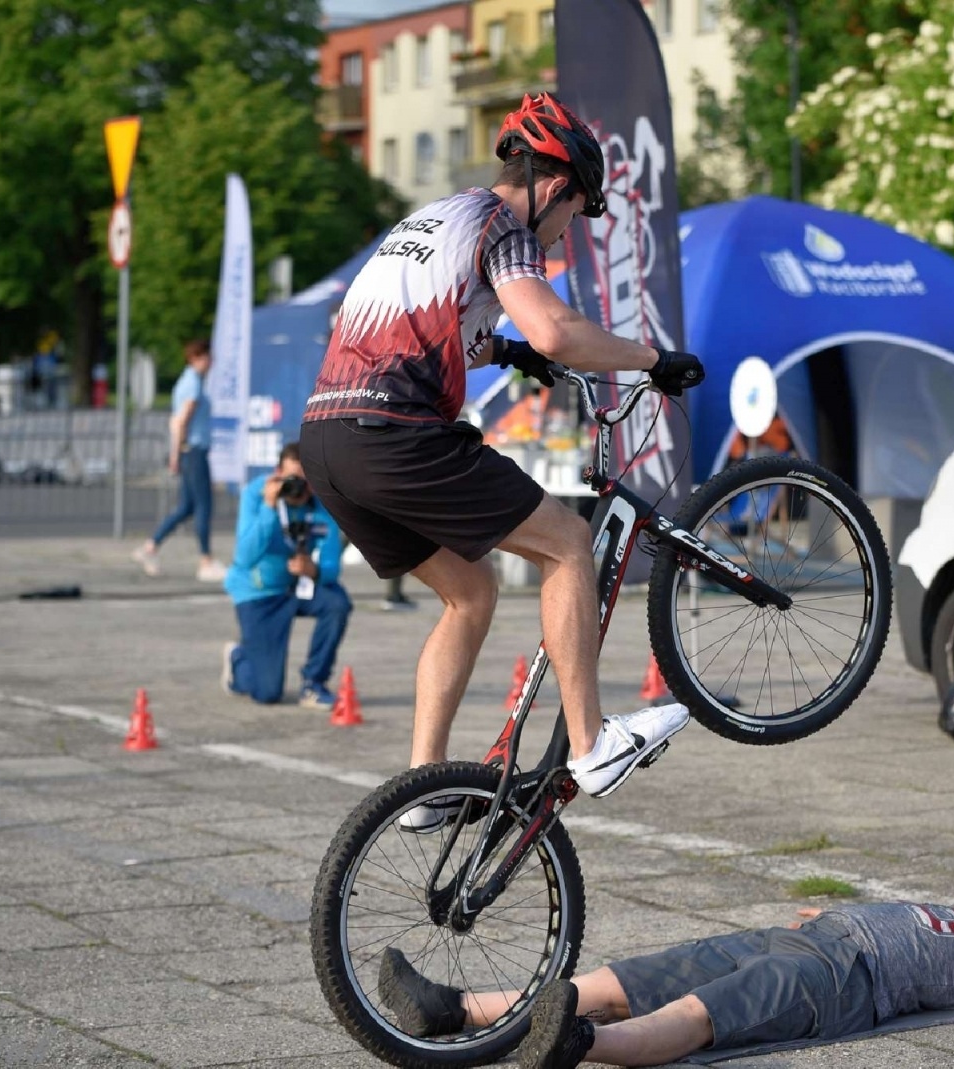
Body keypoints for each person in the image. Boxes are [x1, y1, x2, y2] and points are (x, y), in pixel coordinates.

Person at [299, 93, 706, 826]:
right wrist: (652, 360)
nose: (561, 236)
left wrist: (508, 351)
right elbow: (555, 327)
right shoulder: (505, 226)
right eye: (573, 217)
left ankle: (422, 790)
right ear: (555, 188)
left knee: (471, 592)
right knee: (569, 542)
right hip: (396, 432)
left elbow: (439, 324)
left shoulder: (428, 221)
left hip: (329, 440)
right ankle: (591, 743)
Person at [380, 899, 954, 1067]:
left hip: (848, 978)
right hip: (819, 935)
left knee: (708, 1014)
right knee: (641, 972)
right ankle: (456, 1009)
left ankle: (582, 1043)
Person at [220, 444, 352, 708]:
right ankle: (239, 659)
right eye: (293, 479)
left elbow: (331, 566)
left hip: (297, 586)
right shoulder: (256, 494)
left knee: (337, 603)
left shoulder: (322, 503)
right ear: (277, 474)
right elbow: (244, 558)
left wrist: (313, 570)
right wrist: (270, 508)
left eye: (307, 480)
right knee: (267, 693)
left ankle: (313, 683)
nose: (299, 488)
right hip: (260, 592)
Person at [133, 339, 227, 582]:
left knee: (187, 506)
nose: (211, 363)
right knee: (204, 506)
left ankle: (151, 547)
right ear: (198, 358)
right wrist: (176, 453)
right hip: (193, 450)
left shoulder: (186, 382)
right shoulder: (193, 385)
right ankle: (206, 560)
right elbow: (179, 422)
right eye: (208, 357)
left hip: (188, 450)